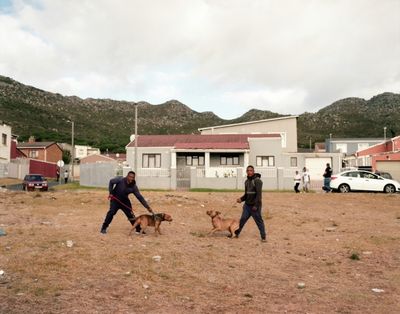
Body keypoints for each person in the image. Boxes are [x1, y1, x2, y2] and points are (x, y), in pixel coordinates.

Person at [234, 165, 267, 242]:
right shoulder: (246, 182)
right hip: (247, 206)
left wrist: (256, 205)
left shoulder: (257, 181)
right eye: (248, 170)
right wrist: (241, 199)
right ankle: (236, 233)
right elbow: (246, 194)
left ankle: (263, 237)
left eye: (251, 170)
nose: (249, 172)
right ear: (246, 172)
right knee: (242, 220)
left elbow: (259, 195)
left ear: (253, 171)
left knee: (259, 221)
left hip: (255, 206)